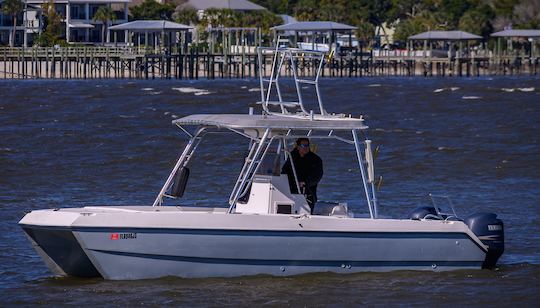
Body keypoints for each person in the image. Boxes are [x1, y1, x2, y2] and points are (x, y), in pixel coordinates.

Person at [281, 138, 323, 214]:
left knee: (307, 210)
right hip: (291, 191)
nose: (306, 147)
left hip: (308, 192)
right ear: (298, 147)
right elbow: (284, 172)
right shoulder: (292, 157)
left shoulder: (316, 160)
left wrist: (305, 182)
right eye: (304, 145)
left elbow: (317, 176)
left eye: (307, 145)